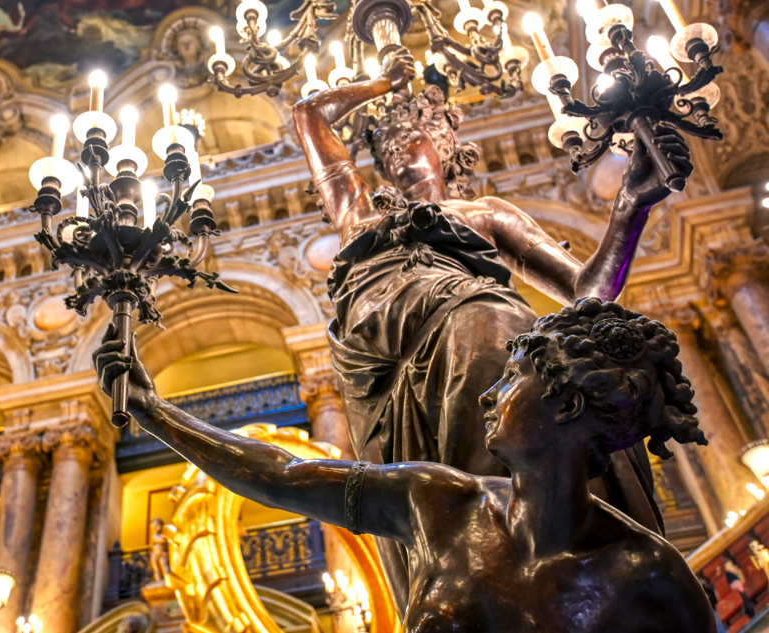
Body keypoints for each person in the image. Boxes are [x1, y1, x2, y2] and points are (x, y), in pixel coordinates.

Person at [291, 48, 692, 609]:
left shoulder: (485, 213)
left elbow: (588, 291)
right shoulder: (359, 215)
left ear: (443, 145)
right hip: (396, 386)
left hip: (481, 334)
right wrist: (383, 82)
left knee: (508, 475)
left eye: (411, 142)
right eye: (385, 152)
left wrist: (628, 209)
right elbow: (309, 113)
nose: (399, 158)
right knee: (445, 515)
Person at [96, 298, 715, 633]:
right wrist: (154, 414)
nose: (487, 396)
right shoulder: (439, 500)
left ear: (568, 403)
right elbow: (279, 475)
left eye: (512, 381)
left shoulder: (647, 575)